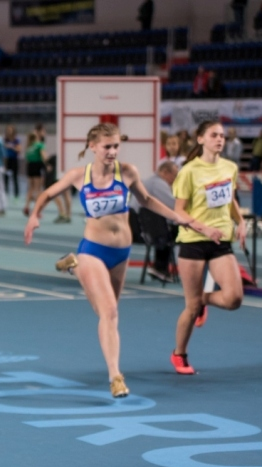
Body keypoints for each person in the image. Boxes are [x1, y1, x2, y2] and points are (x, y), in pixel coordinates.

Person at [24, 123, 201, 397]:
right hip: (94, 249)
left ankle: (74, 266)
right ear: (93, 146)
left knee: (105, 313)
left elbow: (147, 199)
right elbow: (47, 193)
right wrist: (35, 215)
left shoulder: (127, 172)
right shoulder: (78, 175)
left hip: (122, 252)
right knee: (110, 313)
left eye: (116, 146)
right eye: (107, 146)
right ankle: (115, 376)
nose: (112, 151)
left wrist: (177, 217)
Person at [170, 120, 247, 375]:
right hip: (193, 241)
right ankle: (179, 354)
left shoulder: (230, 167)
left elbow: (230, 199)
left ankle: (202, 299)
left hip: (220, 240)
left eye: (222, 136)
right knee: (190, 309)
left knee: (234, 299)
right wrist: (203, 228)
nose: (220, 139)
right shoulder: (189, 171)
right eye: (214, 135)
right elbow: (178, 211)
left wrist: (241, 222)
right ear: (201, 139)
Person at [130, 160, 180, 281]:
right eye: (174, 175)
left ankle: (159, 267)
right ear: (165, 172)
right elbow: (173, 205)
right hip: (146, 229)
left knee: (166, 226)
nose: (175, 179)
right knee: (177, 230)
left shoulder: (149, 181)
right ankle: (160, 267)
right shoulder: (158, 184)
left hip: (141, 226)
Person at [23, 131, 45, 216]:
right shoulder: (39, 145)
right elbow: (44, 157)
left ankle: (27, 206)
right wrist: (48, 164)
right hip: (37, 166)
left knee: (31, 188)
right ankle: (37, 210)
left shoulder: (29, 146)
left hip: (30, 167)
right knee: (38, 189)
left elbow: (27, 158)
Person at [3, 125, 21, 200]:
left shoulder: (16, 140)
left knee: (15, 178)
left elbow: (19, 150)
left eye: (10, 130)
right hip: (7, 160)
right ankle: (5, 194)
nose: (9, 131)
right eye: (8, 130)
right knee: (5, 178)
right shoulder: (5, 140)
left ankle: (16, 196)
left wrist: (11, 147)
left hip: (14, 160)